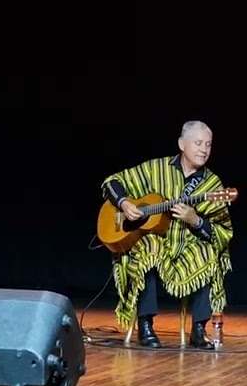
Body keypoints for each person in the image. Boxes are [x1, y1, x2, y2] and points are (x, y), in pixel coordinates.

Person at [100, 121, 234, 349]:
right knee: (148, 246)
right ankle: (145, 325)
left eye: (209, 145)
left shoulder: (212, 185)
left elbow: (223, 231)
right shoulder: (156, 168)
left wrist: (196, 221)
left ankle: (199, 330)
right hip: (158, 242)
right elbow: (113, 181)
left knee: (209, 253)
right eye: (198, 143)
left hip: (186, 246)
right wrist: (123, 203)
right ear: (182, 144)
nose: (204, 149)